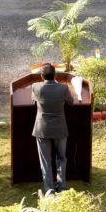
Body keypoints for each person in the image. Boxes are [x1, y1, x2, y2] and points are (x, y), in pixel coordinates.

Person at [31, 64, 73, 194]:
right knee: (61, 158)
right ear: (55, 75)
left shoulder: (36, 87)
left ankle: (49, 190)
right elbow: (71, 102)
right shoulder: (63, 88)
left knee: (45, 161)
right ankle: (62, 187)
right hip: (60, 129)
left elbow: (33, 101)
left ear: (41, 76)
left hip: (42, 129)